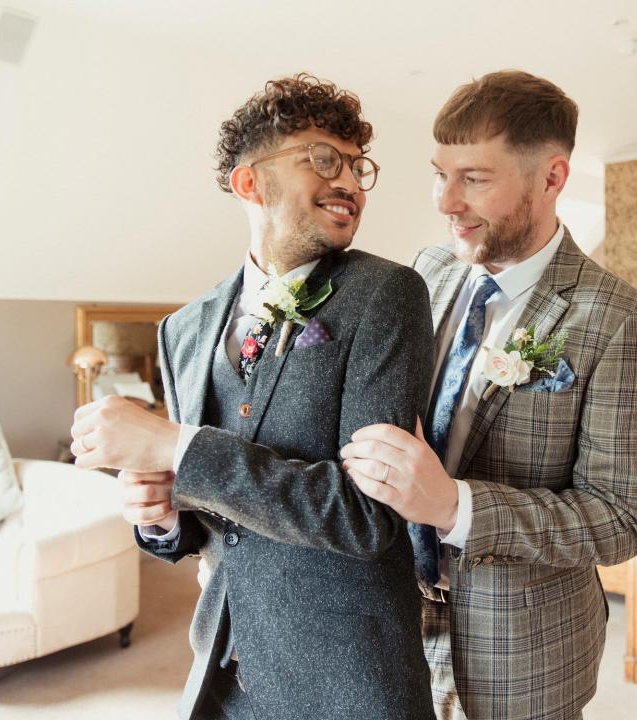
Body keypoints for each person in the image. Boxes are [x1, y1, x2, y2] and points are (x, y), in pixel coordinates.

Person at [70, 73, 435, 720]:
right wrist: (159, 516)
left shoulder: (387, 295)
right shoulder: (182, 329)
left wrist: (174, 444)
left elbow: (364, 518)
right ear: (249, 182)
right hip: (222, 673)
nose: (350, 182)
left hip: (345, 683)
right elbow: (204, 525)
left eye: (357, 166)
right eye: (324, 159)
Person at [340, 70, 637, 720]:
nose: (446, 201)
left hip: (525, 656)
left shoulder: (621, 318)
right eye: (440, 173)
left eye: (475, 179)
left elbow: (620, 520)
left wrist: (455, 506)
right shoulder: (425, 272)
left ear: (551, 178)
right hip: (394, 630)